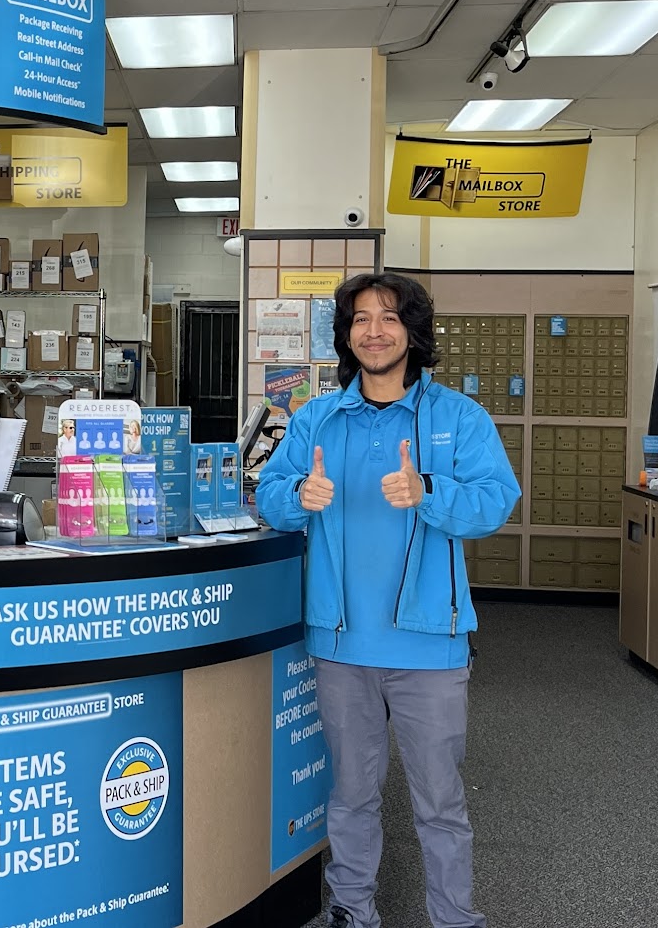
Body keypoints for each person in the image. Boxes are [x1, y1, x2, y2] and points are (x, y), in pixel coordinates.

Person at [254, 273, 519, 928]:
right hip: (342, 642)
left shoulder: (458, 417)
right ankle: (352, 910)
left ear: (413, 331)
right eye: (360, 319)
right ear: (346, 335)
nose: (374, 330)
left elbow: (495, 501)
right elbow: (270, 495)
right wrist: (298, 497)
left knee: (440, 801)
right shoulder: (317, 418)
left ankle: (455, 919)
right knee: (350, 794)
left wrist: (429, 490)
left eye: (389, 317)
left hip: (429, 643)